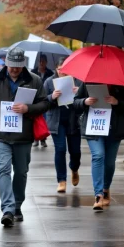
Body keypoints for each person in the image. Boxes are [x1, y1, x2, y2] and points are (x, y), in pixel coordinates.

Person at [0, 47, 49, 227]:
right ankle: (7, 209)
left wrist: (28, 109)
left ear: (23, 64)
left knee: (21, 172)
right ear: (6, 63)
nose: (14, 69)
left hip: (23, 135)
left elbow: (45, 103)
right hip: (0, 134)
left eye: (18, 66)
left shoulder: (34, 80)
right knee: (3, 169)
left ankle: (17, 205)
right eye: (11, 66)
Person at [74, 82, 124, 211]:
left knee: (109, 163)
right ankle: (98, 195)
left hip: (114, 129)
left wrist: (117, 102)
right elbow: (75, 102)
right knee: (98, 155)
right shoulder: (88, 83)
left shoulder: (120, 85)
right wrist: (85, 101)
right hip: (94, 126)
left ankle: (105, 188)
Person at [44, 57, 82, 193]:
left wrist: (79, 94)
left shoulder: (77, 80)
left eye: (65, 69)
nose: (62, 72)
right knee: (60, 150)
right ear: (56, 69)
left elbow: (84, 101)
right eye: (59, 69)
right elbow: (43, 101)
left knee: (75, 152)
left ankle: (74, 168)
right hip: (57, 121)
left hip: (73, 120)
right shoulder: (49, 82)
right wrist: (52, 97)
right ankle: (61, 180)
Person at [31, 53, 53, 147]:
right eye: (40, 61)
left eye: (43, 61)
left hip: (45, 98)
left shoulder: (50, 73)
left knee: (43, 119)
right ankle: (36, 138)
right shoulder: (33, 72)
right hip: (35, 99)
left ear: (46, 62)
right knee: (35, 119)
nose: (41, 63)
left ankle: (43, 139)